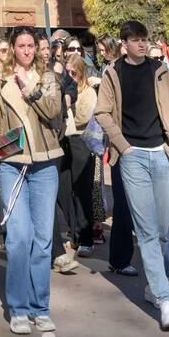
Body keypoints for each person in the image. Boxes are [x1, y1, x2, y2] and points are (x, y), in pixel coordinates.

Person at [95, 19, 169, 332]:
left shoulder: (159, 70)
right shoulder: (113, 73)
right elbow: (102, 112)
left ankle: (151, 286)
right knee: (146, 229)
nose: (141, 44)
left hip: (160, 153)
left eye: (143, 39)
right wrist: (123, 146)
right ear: (124, 44)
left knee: (162, 227)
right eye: (135, 40)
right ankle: (165, 297)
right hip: (131, 158)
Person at [0, 26, 63, 337]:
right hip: (11, 164)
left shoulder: (49, 78)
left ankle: (40, 307)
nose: (27, 51)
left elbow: (54, 111)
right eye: (22, 45)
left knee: (42, 242)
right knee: (18, 239)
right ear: (13, 48)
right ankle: (18, 308)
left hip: (45, 164)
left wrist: (32, 90)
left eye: (31, 45)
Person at [61, 52, 98, 257]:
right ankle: (74, 235)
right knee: (65, 190)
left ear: (81, 73)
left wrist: (68, 106)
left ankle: (86, 239)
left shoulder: (87, 92)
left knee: (82, 193)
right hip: (66, 142)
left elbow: (84, 117)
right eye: (67, 72)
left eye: (73, 73)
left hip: (82, 142)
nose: (70, 76)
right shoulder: (65, 90)